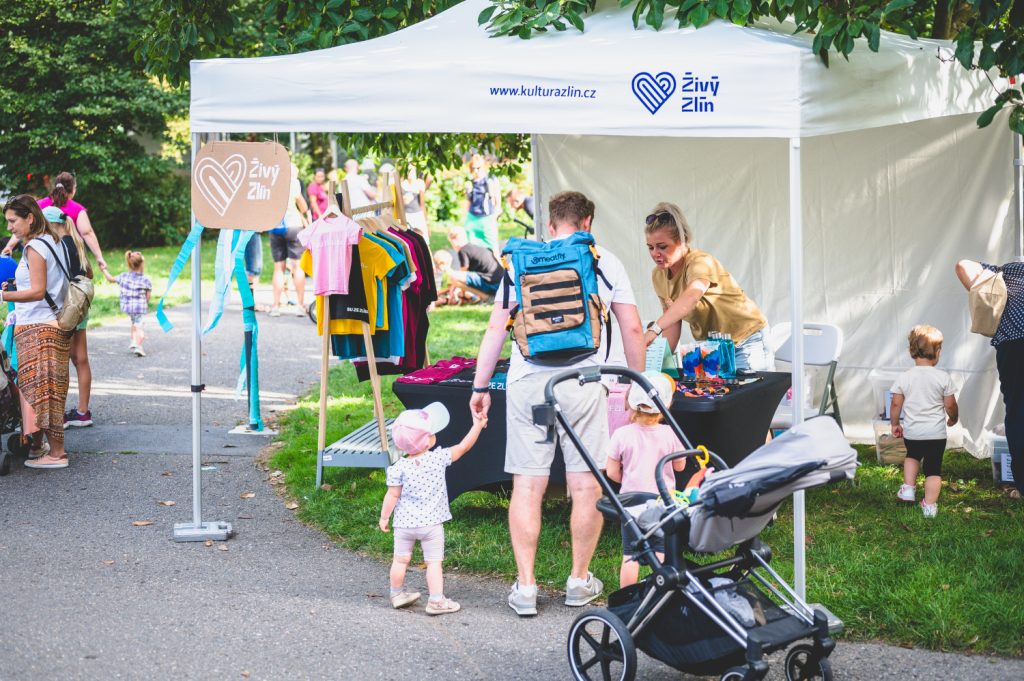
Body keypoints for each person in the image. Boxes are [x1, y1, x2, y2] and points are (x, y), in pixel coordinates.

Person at [470, 191, 645, 617]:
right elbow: (632, 329)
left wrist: (479, 386)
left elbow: (496, 328)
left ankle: (526, 587)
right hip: (582, 382)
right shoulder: (603, 261)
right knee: (585, 485)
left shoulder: (521, 261)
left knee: (528, 485)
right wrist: (636, 386)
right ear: (587, 223)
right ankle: (578, 581)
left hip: (528, 383)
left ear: (549, 225)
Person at [2, 174, 108, 429]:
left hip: (56, 311)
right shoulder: (73, 241)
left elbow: (41, 287)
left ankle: (54, 421)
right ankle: (82, 411)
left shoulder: (46, 245)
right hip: (76, 308)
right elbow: (87, 272)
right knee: (79, 360)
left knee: (56, 370)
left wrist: (7, 292)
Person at [379, 402, 487, 615]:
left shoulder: (397, 468)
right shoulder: (438, 458)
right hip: (431, 525)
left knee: (400, 560)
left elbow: (392, 495)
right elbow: (463, 447)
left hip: (404, 525)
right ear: (428, 440)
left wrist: (384, 518)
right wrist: (477, 426)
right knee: (433, 563)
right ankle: (436, 601)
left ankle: (397, 594)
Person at [642, 202, 772, 373]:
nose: (655, 253)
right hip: (714, 349)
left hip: (746, 339)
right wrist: (658, 365)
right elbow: (672, 323)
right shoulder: (658, 275)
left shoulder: (700, 262)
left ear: (681, 241)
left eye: (662, 246)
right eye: (650, 247)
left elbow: (692, 296)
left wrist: (654, 330)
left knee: (751, 390)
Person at [2, 195, 74, 469]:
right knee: (48, 390)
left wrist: (4, 295)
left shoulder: (34, 247)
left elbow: (37, 291)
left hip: (39, 327)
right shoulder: (52, 241)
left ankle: (57, 454)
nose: (9, 227)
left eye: (13, 221)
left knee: (44, 391)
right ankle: (44, 447)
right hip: (51, 324)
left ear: (30, 218)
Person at [605, 372, 686, 588]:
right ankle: (660, 591)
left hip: (631, 504)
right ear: (666, 405)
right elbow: (680, 466)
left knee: (630, 554)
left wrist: (628, 478)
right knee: (660, 550)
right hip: (661, 503)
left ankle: (627, 595)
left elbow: (611, 472)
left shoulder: (622, 434)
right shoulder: (670, 434)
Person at [956, 257, 1024, 494]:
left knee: (1018, 412)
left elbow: (963, 265)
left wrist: (986, 284)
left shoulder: (1011, 270)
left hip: (1014, 345)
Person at [890, 325, 958, 517]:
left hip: (913, 432)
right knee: (933, 469)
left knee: (912, 456)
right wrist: (953, 418)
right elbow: (950, 404)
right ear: (938, 351)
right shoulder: (943, 377)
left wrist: (895, 424)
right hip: (936, 434)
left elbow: (895, 404)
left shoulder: (905, 377)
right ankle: (929, 506)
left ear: (911, 351)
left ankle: (908, 489)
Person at [270, 163, 309, 318]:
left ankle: (275, 306)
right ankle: (300, 306)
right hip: (293, 227)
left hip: (275, 227)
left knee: (278, 268)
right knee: (297, 267)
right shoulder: (294, 183)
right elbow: (304, 207)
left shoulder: (272, 183)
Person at [100, 251, 152, 357]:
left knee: (134, 322)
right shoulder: (146, 279)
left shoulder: (124, 276)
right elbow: (148, 295)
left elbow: (110, 279)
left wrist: (104, 269)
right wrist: (145, 304)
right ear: (142, 264)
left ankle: (133, 341)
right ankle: (139, 346)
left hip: (127, 307)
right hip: (139, 307)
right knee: (140, 326)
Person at [437, 226, 503, 303]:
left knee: (453, 277)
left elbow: (462, 274)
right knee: (459, 278)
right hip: (501, 283)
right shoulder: (474, 248)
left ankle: (487, 298)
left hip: (494, 285)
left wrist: (461, 294)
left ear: (454, 240)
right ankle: (485, 297)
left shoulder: (463, 251)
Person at [462, 154, 501, 253]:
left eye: (478, 168)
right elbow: (468, 202)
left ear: (483, 167)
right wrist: (466, 217)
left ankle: (498, 263)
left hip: (487, 217)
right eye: (473, 168)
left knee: (493, 249)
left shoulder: (490, 180)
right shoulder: (470, 182)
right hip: (472, 218)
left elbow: (497, 201)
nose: (476, 171)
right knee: (473, 249)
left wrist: (494, 217)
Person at [401, 166, 428, 238]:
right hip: (406, 215)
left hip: (417, 214)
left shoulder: (420, 183)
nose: (410, 173)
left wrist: (426, 222)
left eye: (412, 171)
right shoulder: (402, 183)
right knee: (409, 237)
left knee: (422, 237)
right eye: (409, 170)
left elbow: (422, 203)